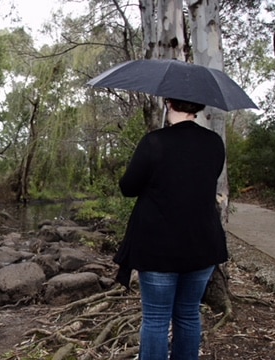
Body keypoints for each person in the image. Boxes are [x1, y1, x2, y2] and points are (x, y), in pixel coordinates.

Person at [113, 98, 228, 360]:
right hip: (202, 244)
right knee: (188, 314)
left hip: (157, 247)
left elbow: (128, 187)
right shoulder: (214, 143)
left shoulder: (154, 142)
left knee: (155, 318)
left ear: (168, 103)